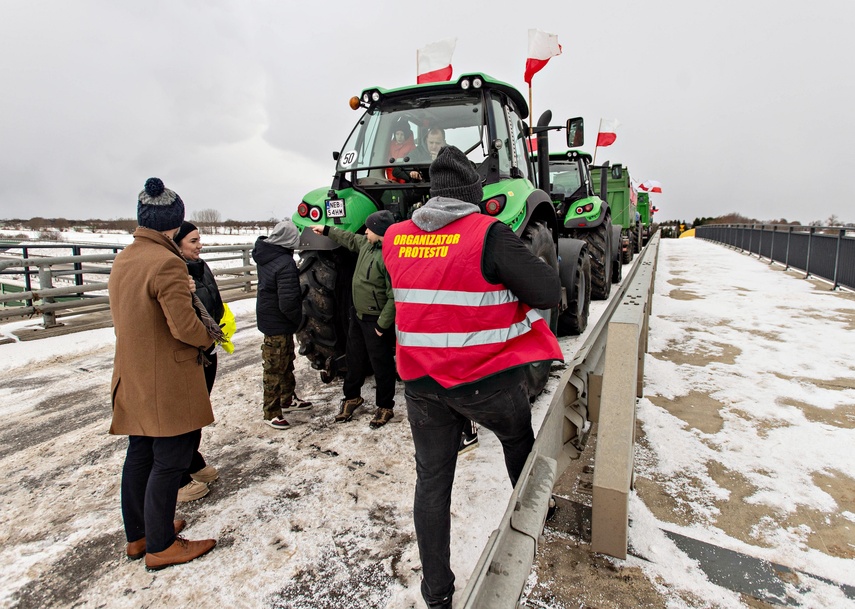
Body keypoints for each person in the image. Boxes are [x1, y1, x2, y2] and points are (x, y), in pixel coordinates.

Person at [383, 146, 563, 609]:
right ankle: (536, 518)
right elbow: (546, 291)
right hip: (486, 382)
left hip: (421, 386)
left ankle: (436, 594)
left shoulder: (396, 237)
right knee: (518, 443)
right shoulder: (488, 233)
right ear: (473, 194)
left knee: (432, 481)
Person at [109, 177, 217, 571]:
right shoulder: (167, 262)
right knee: (170, 459)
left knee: (139, 455)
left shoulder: (125, 258)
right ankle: (161, 543)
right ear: (173, 224)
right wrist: (209, 339)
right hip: (165, 382)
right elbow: (184, 327)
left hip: (133, 375)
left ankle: (139, 535)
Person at [311, 210, 397, 428]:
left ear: (379, 232)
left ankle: (385, 406)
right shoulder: (366, 244)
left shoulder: (390, 257)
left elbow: (393, 295)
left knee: (382, 365)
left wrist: (382, 325)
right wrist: (327, 230)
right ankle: (352, 398)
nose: (365, 230)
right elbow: (348, 238)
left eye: (369, 228)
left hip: (375, 321)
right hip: (357, 316)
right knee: (354, 360)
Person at [173, 221, 224, 502]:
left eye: (199, 240)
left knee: (198, 411)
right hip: (192, 351)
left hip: (208, 348)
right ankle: (178, 476)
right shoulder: (174, 273)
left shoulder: (200, 267)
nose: (199, 245)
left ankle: (192, 461)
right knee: (185, 415)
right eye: (193, 241)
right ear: (177, 244)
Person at [251, 218, 312, 429]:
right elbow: (288, 301)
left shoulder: (267, 256)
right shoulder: (284, 263)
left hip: (270, 317)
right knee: (275, 367)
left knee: (285, 361)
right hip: (279, 320)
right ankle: (271, 412)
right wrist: (298, 320)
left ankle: (287, 398)